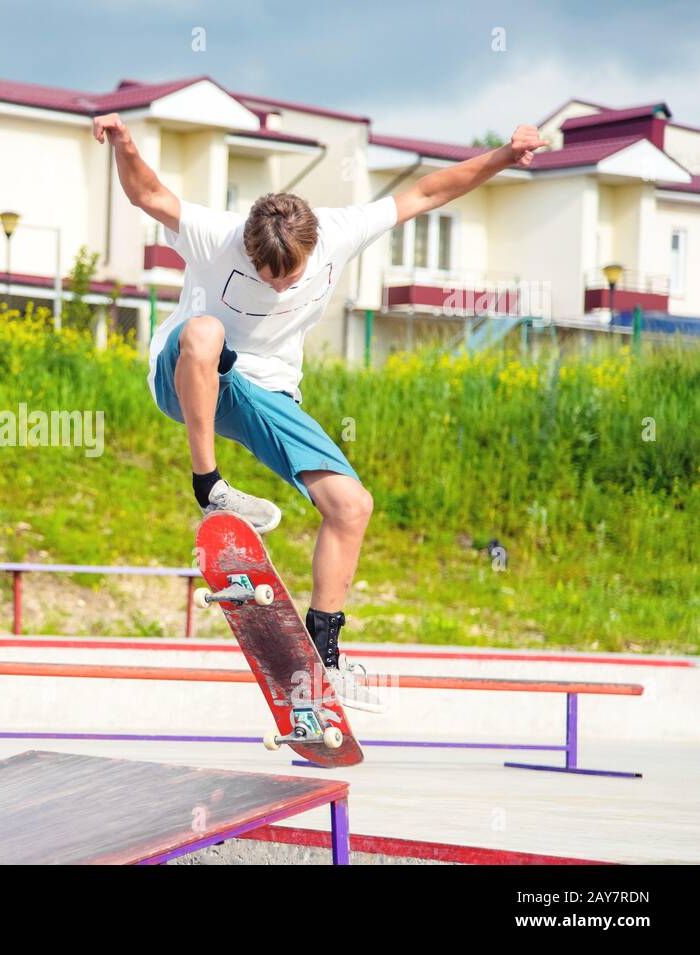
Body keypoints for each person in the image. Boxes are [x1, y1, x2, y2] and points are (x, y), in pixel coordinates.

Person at [93, 112, 546, 709]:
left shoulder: (340, 229)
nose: (280, 288)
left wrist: (503, 158)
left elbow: (429, 191)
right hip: (186, 379)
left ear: (312, 249)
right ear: (248, 252)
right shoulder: (214, 234)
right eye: (266, 277)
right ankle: (210, 486)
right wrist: (125, 142)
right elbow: (148, 193)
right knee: (203, 332)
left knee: (351, 505)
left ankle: (324, 655)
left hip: (270, 394)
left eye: (293, 277)